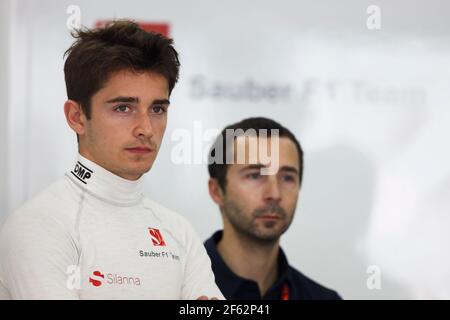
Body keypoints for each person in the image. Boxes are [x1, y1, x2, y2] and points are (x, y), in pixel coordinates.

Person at [0, 20, 223, 300]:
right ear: (77, 117)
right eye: (123, 107)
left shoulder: (179, 231)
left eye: (157, 108)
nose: (145, 127)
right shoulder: (39, 226)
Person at [204, 117, 341, 300]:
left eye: (286, 178)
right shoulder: (172, 288)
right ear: (217, 191)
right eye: (254, 176)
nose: (274, 193)